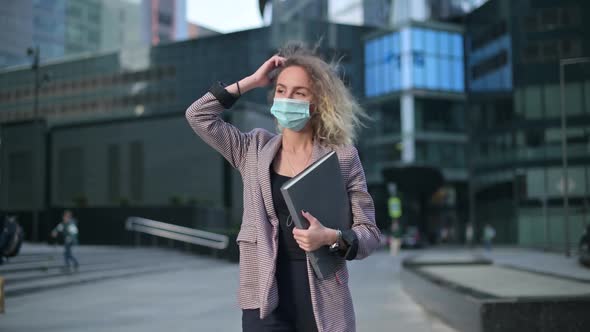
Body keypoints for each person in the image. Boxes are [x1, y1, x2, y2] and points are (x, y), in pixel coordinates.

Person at [185, 43, 381, 332]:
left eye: (299, 93)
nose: (287, 99)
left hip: (322, 294)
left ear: (317, 103)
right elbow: (198, 116)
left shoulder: (343, 157)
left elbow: (370, 234)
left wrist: (331, 237)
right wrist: (251, 81)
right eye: (281, 90)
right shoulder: (252, 147)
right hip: (263, 293)